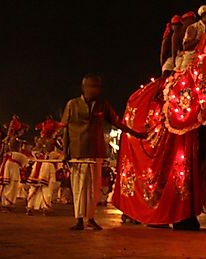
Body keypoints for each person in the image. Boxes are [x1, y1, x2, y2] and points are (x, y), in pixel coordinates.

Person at [61, 74, 144, 231]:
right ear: (84, 87)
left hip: (96, 151)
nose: (96, 90)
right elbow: (65, 128)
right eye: (92, 86)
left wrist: (137, 134)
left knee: (93, 188)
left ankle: (91, 218)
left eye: (98, 87)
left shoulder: (102, 105)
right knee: (79, 187)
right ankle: (79, 219)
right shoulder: (72, 104)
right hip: (77, 152)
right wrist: (65, 152)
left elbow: (118, 122)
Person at [178, 5, 206, 70]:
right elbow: (186, 47)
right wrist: (200, 39)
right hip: (191, 60)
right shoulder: (193, 27)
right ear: (204, 16)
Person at [0, 139, 29, 211]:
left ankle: (6, 203)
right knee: (12, 186)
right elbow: (25, 164)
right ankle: (7, 204)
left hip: (9, 169)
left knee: (8, 186)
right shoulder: (19, 155)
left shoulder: (10, 155)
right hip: (13, 170)